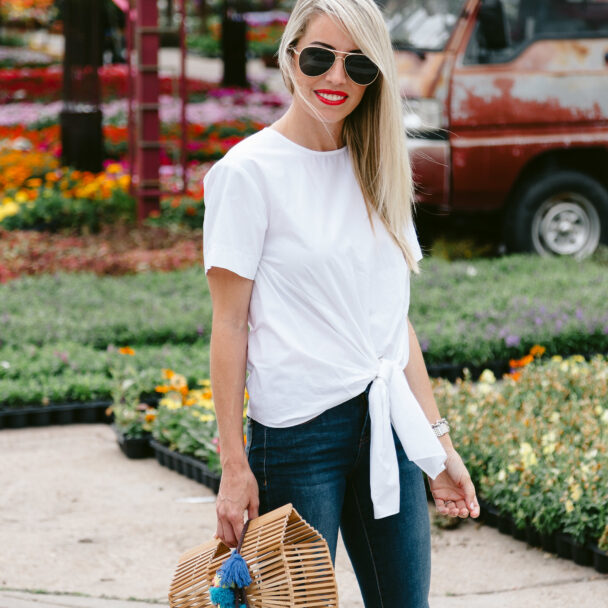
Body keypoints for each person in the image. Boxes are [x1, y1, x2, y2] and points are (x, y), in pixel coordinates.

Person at [202, 0, 480, 605]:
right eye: (322, 57)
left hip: (388, 423)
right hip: (298, 433)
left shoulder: (381, 165)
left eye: (358, 66)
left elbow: (391, 322)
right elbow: (228, 324)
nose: (336, 78)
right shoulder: (247, 173)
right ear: (291, 55)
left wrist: (439, 445)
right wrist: (233, 464)